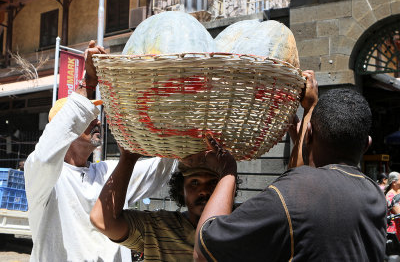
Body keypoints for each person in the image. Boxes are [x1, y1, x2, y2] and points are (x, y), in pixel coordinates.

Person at [193, 72, 387, 261]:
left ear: (309, 134)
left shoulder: (291, 193)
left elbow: (204, 249)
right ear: (366, 144)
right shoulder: (375, 196)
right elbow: (305, 194)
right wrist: (306, 122)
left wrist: (227, 169)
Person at [24, 41, 177, 262]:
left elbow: (159, 169)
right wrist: (88, 82)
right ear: (68, 128)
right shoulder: (44, 177)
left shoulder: (108, 171)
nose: (97, 120)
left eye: (95, 114)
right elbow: (47, 154)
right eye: (87, 117)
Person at [90, 136, 240, 261]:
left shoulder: (243, 228)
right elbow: (103, 221)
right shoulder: (156, 227)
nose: (203, 191)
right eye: (194, 182)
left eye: (213, 183)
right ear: (182, 190)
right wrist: (128, 159)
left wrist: (229, 169)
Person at [385, 171, 400, 241]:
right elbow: (398, 212)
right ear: (394, 182)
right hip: (395, 230)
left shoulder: (398, 191)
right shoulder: (390, 195)